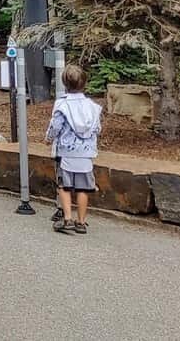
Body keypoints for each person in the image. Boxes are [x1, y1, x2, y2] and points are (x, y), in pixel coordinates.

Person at [44, 63, 102, 234]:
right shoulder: (92, 106)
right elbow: (97, 129)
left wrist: (48, 138)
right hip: (86, 153)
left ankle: (67, 218)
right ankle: (81, 222)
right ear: (84, 83)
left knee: (64, 185)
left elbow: (56, 126)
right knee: (84, 188)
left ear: (64, 83)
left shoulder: (62, 105)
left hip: (66, 151)